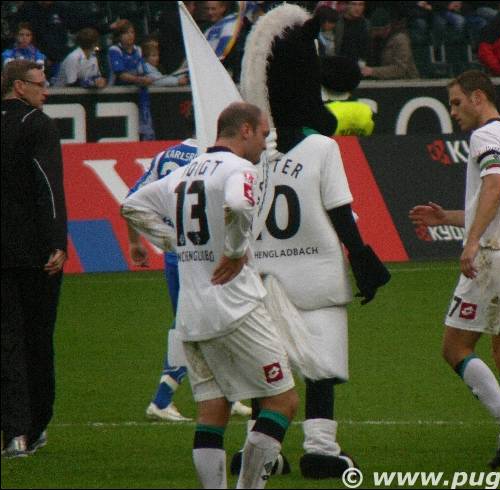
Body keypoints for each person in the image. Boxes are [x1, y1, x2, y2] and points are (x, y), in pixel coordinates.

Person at [239, 3, 390, 479]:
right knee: (322, 366)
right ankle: (321, 447)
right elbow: (340, 210)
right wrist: (363, 259)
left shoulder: (252, 157)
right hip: (318, 275)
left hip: (265, 277)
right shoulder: (322, 148)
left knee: (270, 369)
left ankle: (262, 449)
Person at [122, 102, 299, 488]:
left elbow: (131, 206)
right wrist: (234, 251)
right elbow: (238, 203)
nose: (266, 143)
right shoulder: (239, 169)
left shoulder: (185, 172)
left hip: (192, 313)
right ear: (246, 130)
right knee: (282, 402)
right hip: (236, 307)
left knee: (212, 413)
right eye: (263, 134)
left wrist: (176, 242)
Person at [409, 70, 500, 468]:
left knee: (455, 348)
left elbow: (494, 186)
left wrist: (471, 242)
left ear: (478, 97)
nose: (452, 111)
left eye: (457, 102)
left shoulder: (484, 136)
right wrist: (448, 217)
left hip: (495, 257)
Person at [127, 131, 252, 422]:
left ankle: (229, 392)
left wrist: (135, 242)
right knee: (197, 321)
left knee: (208, 319)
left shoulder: (166, 155)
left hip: (178, 252)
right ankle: (162, 398)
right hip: (208, 252)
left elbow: (132, 200)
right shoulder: (212, 160)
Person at [1, 60, 68, 458]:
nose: (46, 91)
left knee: (6, 340)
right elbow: (49, 185)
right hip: (33, 255)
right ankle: (35, 426)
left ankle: (13, 431)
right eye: (40, 84)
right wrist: (57, 241)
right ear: (19, 87)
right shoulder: (37, 125)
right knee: (37, 339)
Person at [361, 7, 420, 80]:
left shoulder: (400, 40)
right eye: (373, 29)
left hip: (406, 81)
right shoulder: (374, 39)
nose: (374, 32)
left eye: (377, 30)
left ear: (386, 28)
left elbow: (400, 69)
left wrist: (373, 71)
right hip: (381, 80)